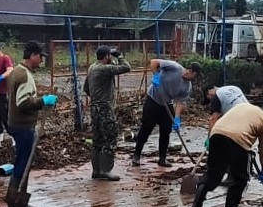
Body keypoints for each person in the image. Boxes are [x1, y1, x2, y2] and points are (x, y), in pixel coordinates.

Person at [191, 103, 263, 207]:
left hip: (216, 134)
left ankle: (197, 204)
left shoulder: (243, 106)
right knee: (240, 178)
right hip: (238, 140)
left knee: (214, 172)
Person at [4, 41, 57, 207]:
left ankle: (14, 198)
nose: (41, 61)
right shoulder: (24, 75)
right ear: (33, 56)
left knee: (21, 160)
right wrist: (43, 101)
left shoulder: (16, 72)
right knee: (24, 163)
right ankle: (17, 201)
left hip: (15, 123)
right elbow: (23, 103)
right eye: (41, 57)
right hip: (23, 126)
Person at [132, 59, 201, 167]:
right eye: (195, 76)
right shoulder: (174, 67)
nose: (194, 79)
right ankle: (136, 155)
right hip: (153, 100)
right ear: (191, 71)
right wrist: (156, 75)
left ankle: (162, 158)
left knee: (166, 131)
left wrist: (177, 118)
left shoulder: (187, 87)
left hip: (166, 104)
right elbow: (154, 62)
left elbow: (180, 102)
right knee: (146, 128)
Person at [83, 45, 131, 181]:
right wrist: (119, 55)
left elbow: (86, 88)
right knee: (110, 138)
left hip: (94, 107)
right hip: (105, 108)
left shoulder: (92, 68)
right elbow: (126, 67)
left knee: (97, 139)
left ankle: (96, 170)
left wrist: (96, 96)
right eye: (110, 55)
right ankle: (106, 170)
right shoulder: (104, 69)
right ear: (107, 57)